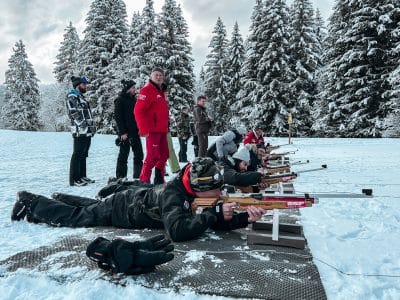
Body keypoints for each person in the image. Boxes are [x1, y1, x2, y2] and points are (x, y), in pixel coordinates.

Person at [11, 157, 265, 242]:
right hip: (122, 209)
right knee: (79, 218)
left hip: (133, 198)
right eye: (216, 190)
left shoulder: (191, 190)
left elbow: (210, 219)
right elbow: (177, 231)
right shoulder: (174, 197)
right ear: (199, 189)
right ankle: (31, 201)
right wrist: (215, 214)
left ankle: (61, 197)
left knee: (92, 206)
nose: (221, 194)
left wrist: (241, 218)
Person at [134, 67, 169, 185]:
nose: (159, 77)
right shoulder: (146, 90)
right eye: (156, 75)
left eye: (160, 75)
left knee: (164, 155)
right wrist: (143, 129)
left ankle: (159, 179)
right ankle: (144, 181)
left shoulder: (161, 91)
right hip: (152, 130)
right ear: (151, 76)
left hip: (162, 129)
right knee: (152, 156)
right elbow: (138, 111)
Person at [86, 234, 174, 275]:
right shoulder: (111, 260)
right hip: (116, 253)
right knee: (138, 254)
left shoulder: (112, 256)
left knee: (136, 251)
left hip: (117, 250)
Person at [67, 75, 96, 186]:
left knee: (84, 154)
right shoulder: (72, 96)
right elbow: (73, 113)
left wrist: (91, 127)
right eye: (84, 84)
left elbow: (86, 113)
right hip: (79, 130)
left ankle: (82, 176)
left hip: (87, 131)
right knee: (77, 154)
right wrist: (83, 124)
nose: (86, 86)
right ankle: (74, 179)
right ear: (78, 85)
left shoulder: (81, 97)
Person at [114, 79, 144, 179]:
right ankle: (121, 177)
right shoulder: (120, 100)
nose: (135, 89)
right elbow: (118, 118)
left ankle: (138, 176)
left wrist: (140, 128)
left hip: (135, 132)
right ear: (127, 89)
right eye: (133, 87)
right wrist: (122, 132)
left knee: (139, 154)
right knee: (123, 155)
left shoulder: (134, 99)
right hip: (125, 133)